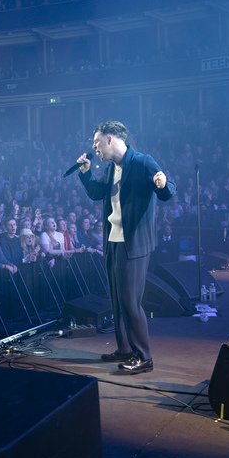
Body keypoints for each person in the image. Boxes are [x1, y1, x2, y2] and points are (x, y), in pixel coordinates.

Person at [76, 120, 175, 374]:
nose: (94, 148)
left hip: (134, 243)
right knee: (117, 300)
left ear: (110, 138)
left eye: (97, 142)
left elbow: (167, 190)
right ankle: (124, 349)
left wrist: (163, 184)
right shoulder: (111, 169)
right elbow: (99, 193)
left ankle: (144, 356)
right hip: (113, 240)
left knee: (131, 301)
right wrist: (86, 173)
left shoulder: (142, 162)